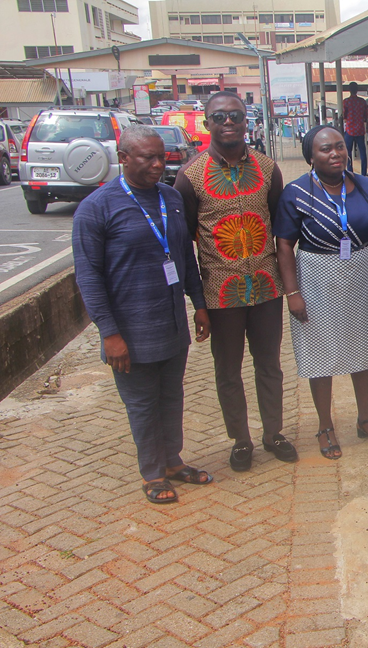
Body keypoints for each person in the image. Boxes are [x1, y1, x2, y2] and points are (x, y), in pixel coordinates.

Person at [73, 125, 212, 504]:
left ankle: (172, 462)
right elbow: (88, 276)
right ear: (123, 158)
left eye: (160, 157)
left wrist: (198, 304)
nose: (157, 164)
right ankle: (152, 473)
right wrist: (109, 333)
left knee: (171, 397)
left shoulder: (171, 198)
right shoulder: (97, 208)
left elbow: (184, 256)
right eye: (147, 157)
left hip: (171, 323)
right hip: (130, 331)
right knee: (142, 403)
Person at [174, 90, 298, 472]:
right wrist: (198, 303)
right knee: (227, 370)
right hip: (220, 292)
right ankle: (241, 440)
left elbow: (281, 227)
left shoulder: (267, 167)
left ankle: (273, 433)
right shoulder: (190, 175)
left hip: (265, 287)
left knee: (270, 364)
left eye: (236, 116)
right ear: (207, 123)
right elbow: (184, 239)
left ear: (248, 122)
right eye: (219, 116)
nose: (228, 122)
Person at [274, 125, 368, 460]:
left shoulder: (363, 186)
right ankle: (325, 425)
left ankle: (365, 419)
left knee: (362, 348)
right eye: (325, 149)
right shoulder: (296, 193)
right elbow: (284, 245)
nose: (335, 154)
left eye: (340, 147)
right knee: (321, 353)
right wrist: (292, 293)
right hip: (316, 278)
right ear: (310, 157)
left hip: (360, 274)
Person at [342, 82, 368, 176]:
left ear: (349, 90)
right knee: (362, 152)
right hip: (360, 129)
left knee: (348, 152)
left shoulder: (346, 102)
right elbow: (366, 115)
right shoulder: (362, 101)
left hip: (350, 130)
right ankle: (363, 173)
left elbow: (344, 115)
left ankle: (350, 172)